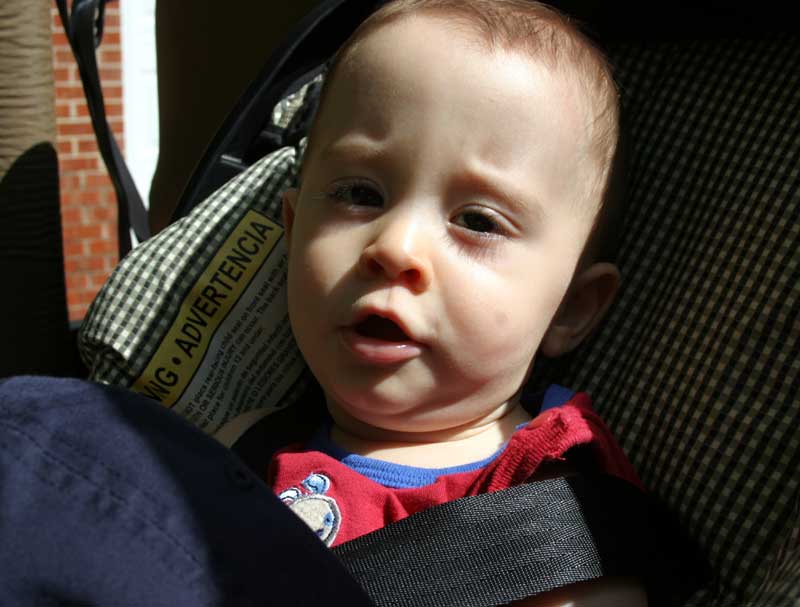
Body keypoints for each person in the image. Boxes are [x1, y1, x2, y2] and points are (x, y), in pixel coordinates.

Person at [267, 0, 647, 604]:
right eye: (360, 193)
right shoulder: (246, 440)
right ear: (291, 234)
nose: (395, 247)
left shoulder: (552, 514)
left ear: (571, 307)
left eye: (477, 220)